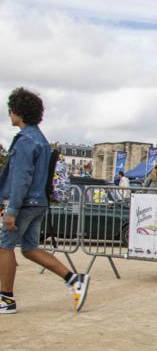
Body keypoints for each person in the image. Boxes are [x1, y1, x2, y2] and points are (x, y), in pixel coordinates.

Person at [0, 87, 90, 314]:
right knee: (29, 248)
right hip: (39, 202)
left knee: (4, 247)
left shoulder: (24, 140)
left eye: (10, 109)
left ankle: (6, 300)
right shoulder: (40, 138)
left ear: (19, 111)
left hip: (25, 202)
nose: (9, 113)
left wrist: (11, 210)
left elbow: (21, 178)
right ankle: (74, 279)